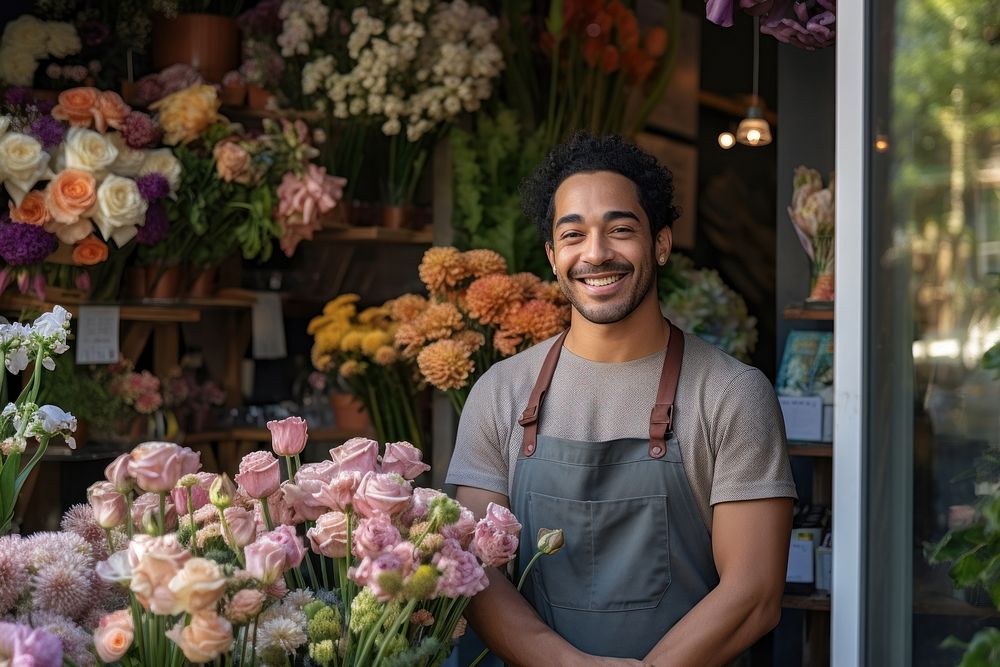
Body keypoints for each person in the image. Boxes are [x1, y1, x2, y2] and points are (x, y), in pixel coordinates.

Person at [446, 133, 797, 666]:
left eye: (620, 230)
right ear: (551, 255)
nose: (596, 253)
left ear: (661, 242)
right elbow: (475, 572)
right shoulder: (501, 392)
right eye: (573, 235)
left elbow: (755, 593)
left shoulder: (731, 394)